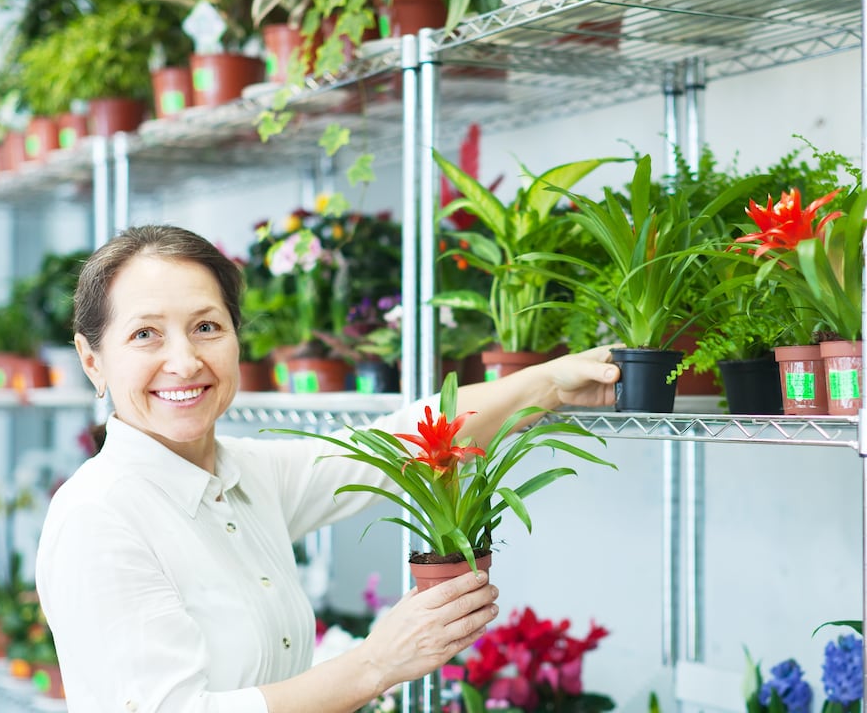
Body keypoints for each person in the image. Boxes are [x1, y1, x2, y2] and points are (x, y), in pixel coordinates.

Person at [34, 224, 620, 713]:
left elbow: (399, 442)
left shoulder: (245, 475)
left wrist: (551, 382)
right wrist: (377, 664)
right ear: (93, 361)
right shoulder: (99, 518)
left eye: (206, 327)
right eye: (145, 334)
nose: (184, 362)